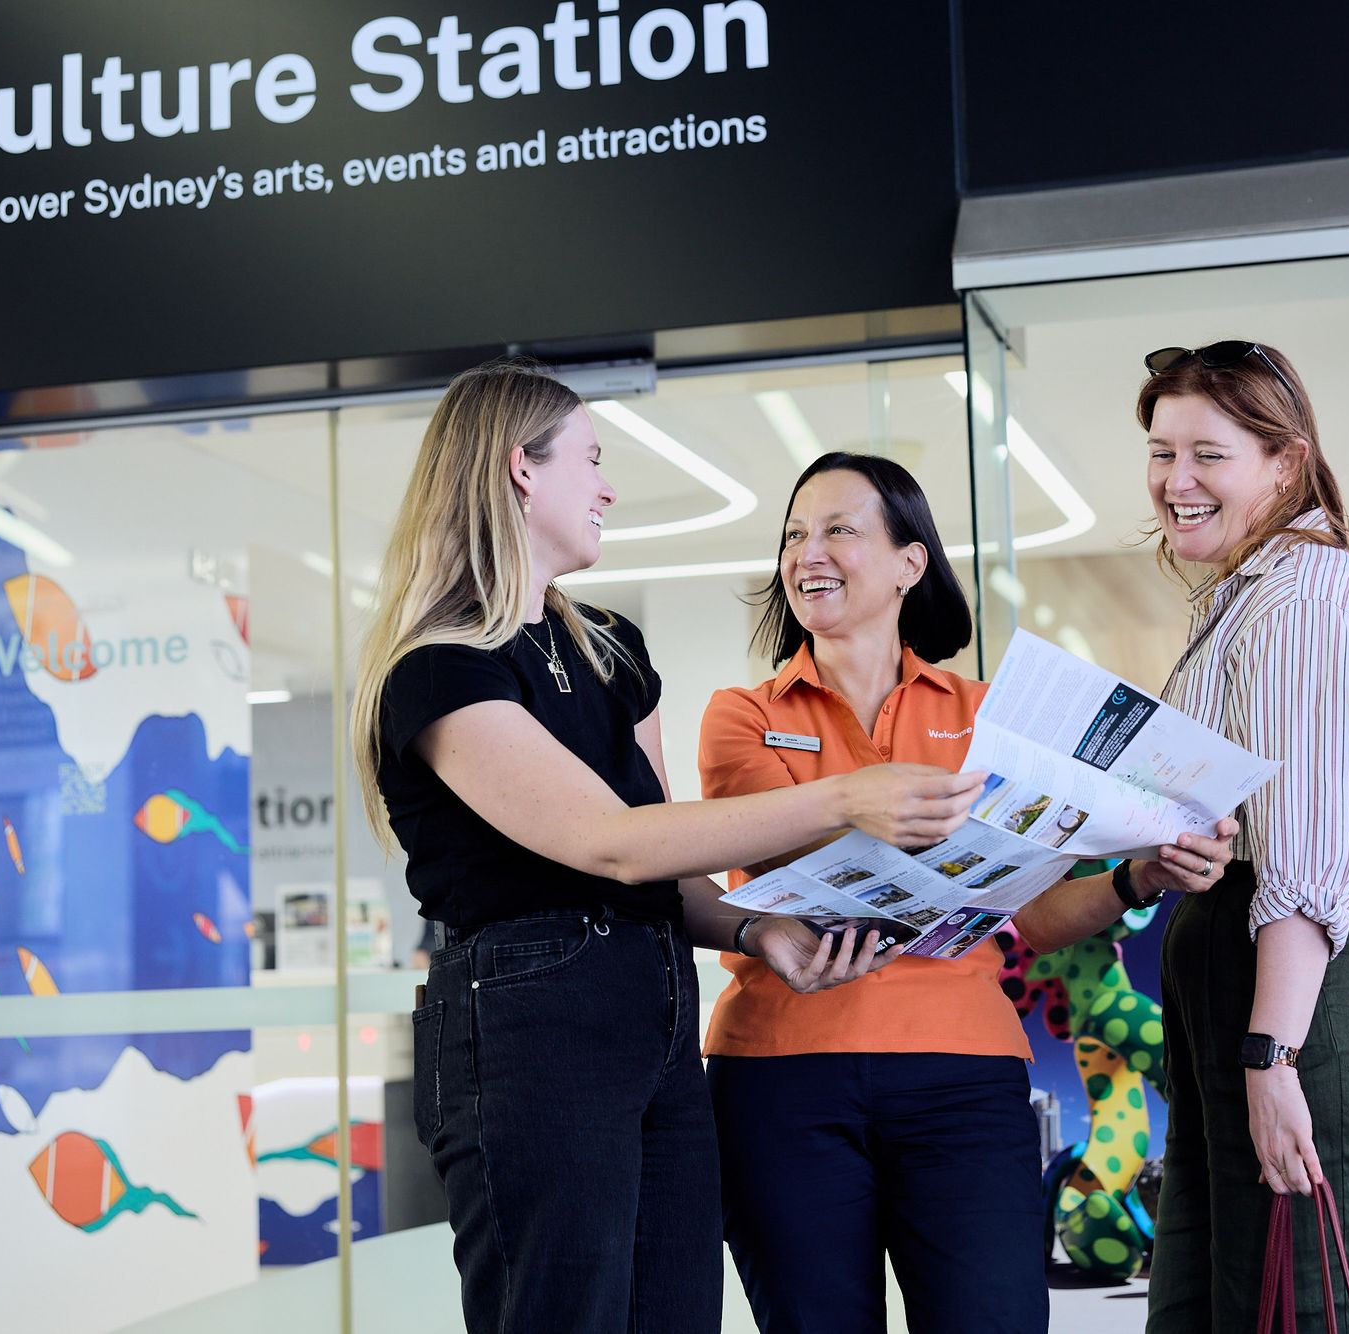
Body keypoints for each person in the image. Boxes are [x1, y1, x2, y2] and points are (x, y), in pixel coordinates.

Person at [351, 363, 989, 1334]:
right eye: (592, 461)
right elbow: (609, 842)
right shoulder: (439, 668)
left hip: (650, 1005)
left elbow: (665, 861)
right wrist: (848, 796)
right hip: (526, 1025)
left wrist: (749, 927)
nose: (606, 486)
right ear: (521, 470)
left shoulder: (611, 647)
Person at [698, 450, 1240, 1333]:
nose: (807, 553)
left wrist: (1137, 875)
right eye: (794, 535)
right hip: (781, 1075)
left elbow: (1035, 917)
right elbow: (778, 848)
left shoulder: (994, 717)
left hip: (963, 1072)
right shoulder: (744, 714)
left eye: (839, 529)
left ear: (912, 563)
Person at [1130, 342, 1349, 1332]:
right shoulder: (1248, 595)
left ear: (1285, 461)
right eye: (1159, 452)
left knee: (1319, 1306)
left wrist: (1270, 1058)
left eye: (1207, 453)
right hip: (1259, 1009)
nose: (1174, 481)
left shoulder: (1302, 601)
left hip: (1316, 1012)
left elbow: (1308, 863)